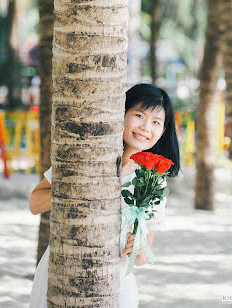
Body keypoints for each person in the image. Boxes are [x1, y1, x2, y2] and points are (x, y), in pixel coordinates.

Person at [29, 83, 180, 308]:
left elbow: (143, 257)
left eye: (156, 122)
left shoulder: (153, 180)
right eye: (139, 115)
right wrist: (78, 191)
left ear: (163, 131)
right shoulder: (87, 152)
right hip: (62, 271)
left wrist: (136, 248)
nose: (146, 127)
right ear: (121, 112)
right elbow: (34, 203)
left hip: (113, 282)